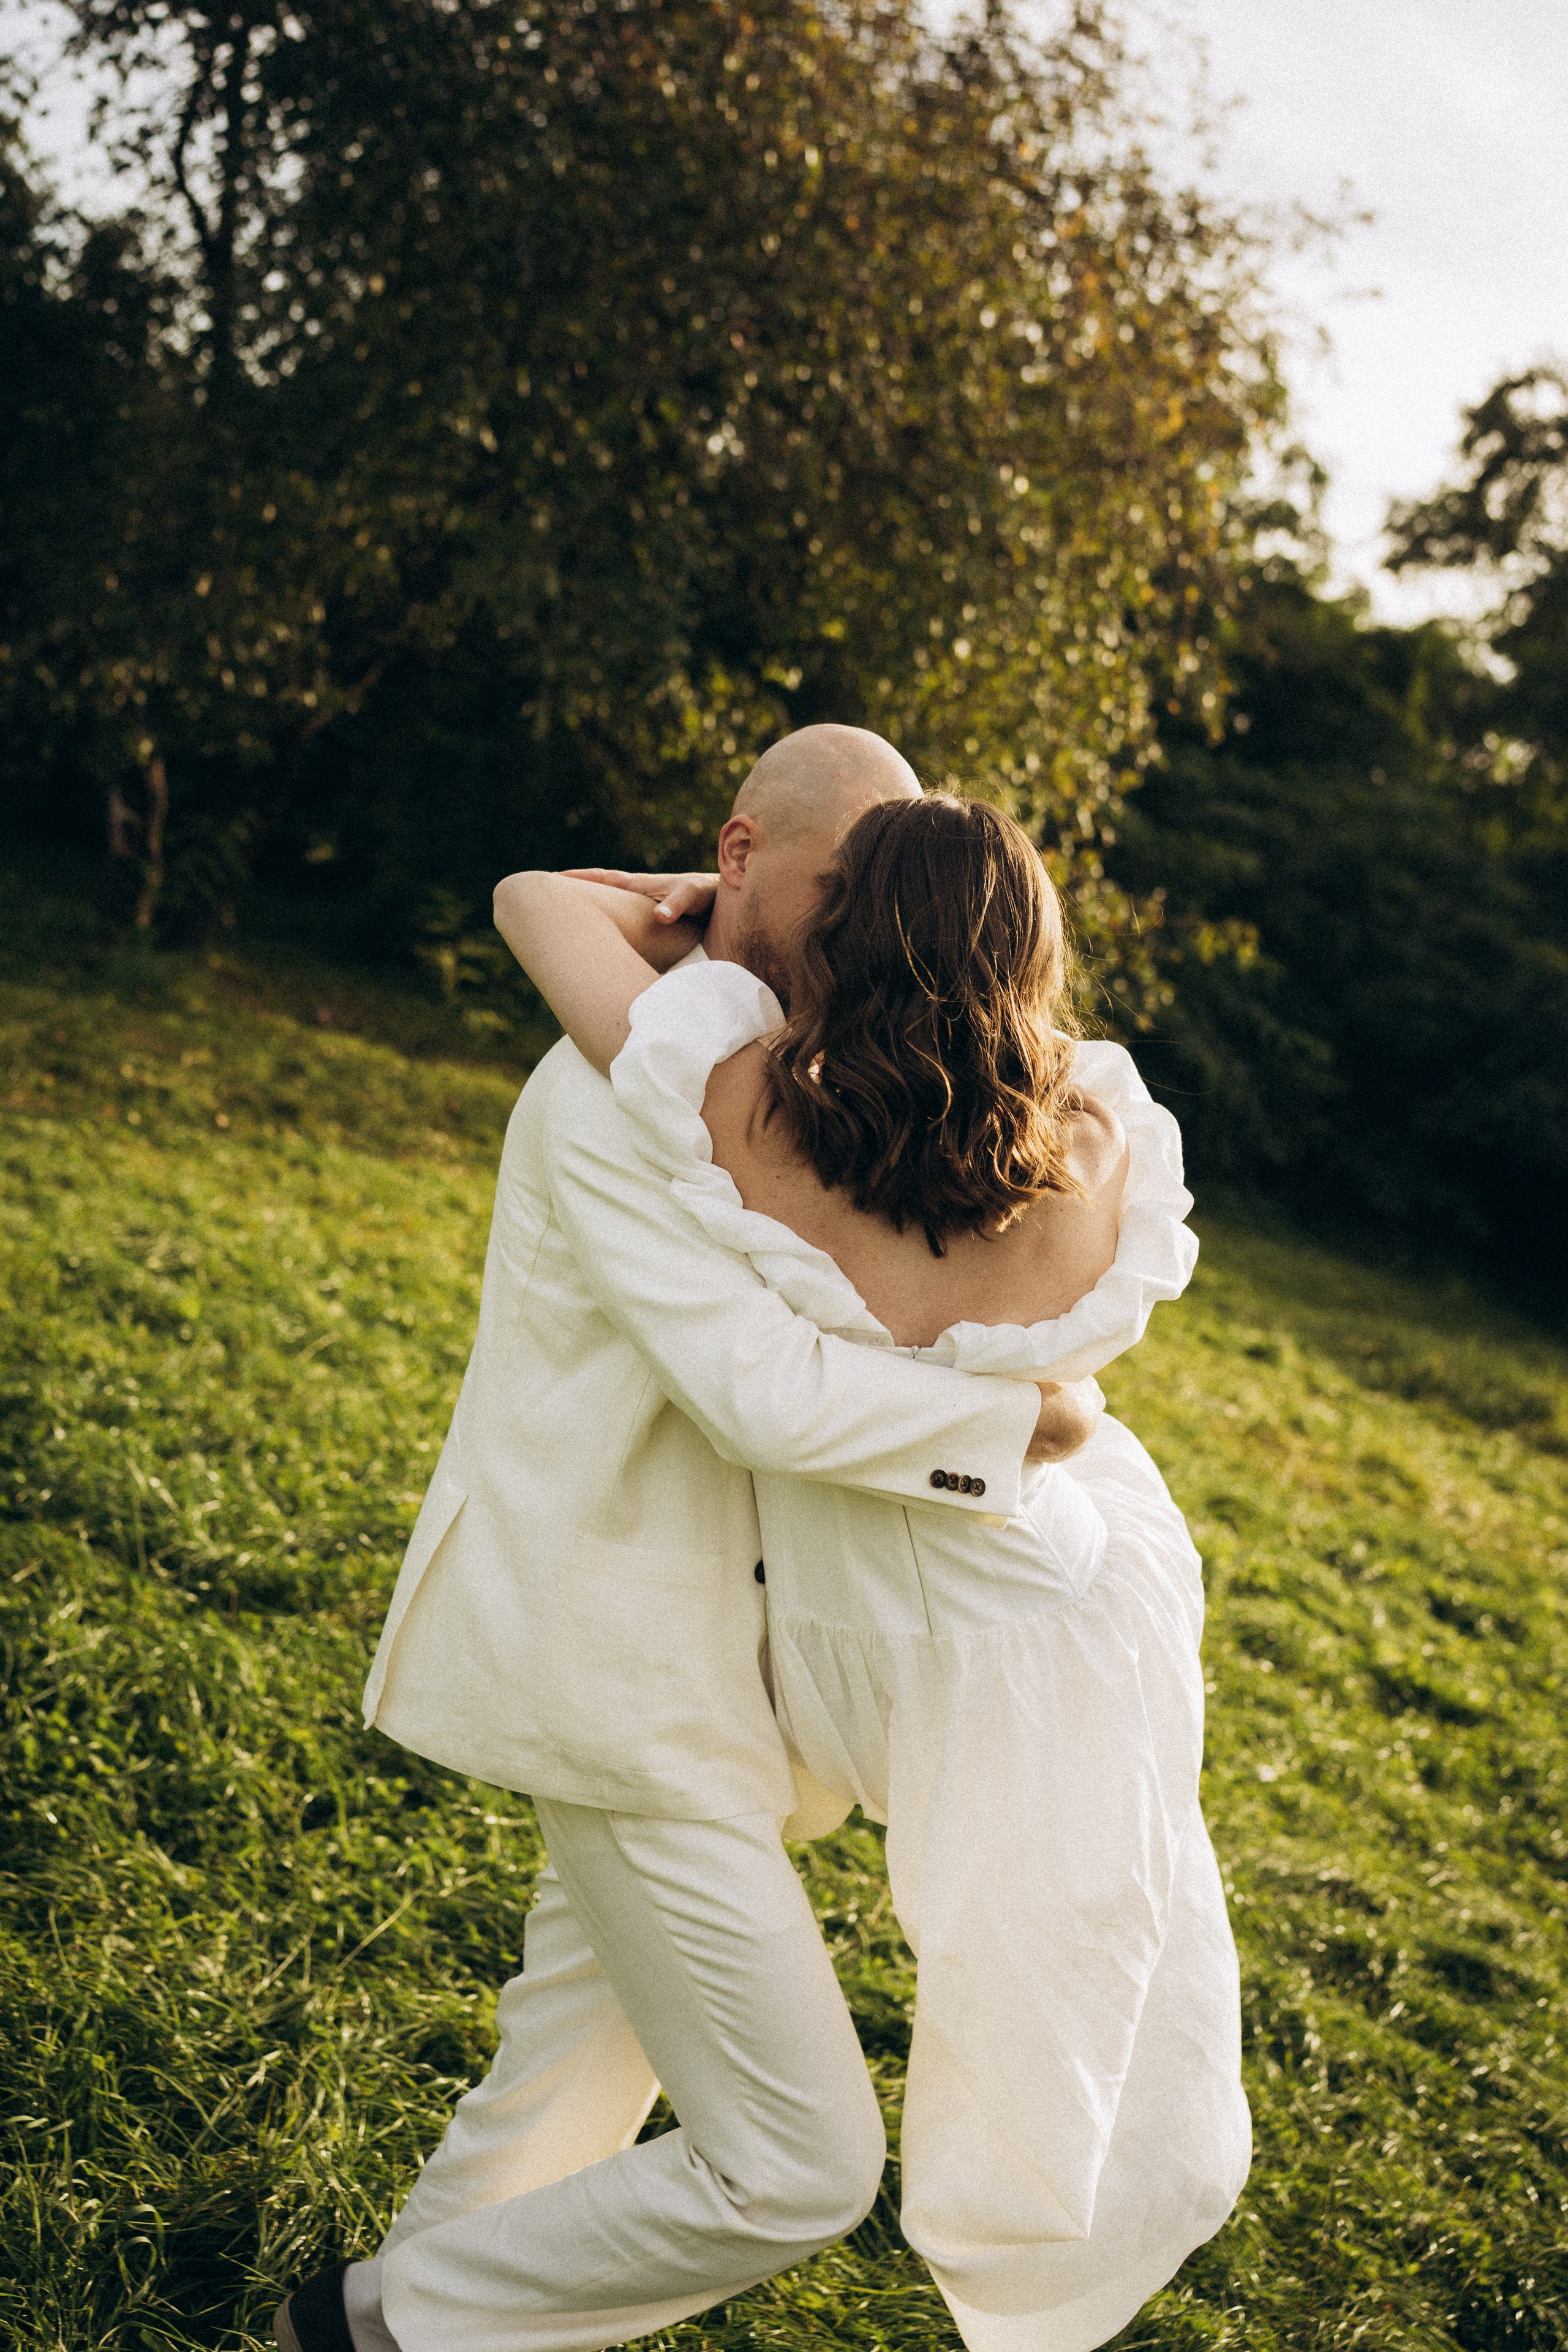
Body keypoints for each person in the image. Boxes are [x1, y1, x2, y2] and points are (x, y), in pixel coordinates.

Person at [271, 728, 1103, 2352]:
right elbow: (754, 1397)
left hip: (721, 1689)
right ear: (737, 856)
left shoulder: (796, 1091)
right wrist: (1025, 1425)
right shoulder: (626, 1086)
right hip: (621, 1676)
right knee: (799, 2165)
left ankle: (419, 2317)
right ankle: (367, 2324)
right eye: (841, 889)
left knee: (564, 2075)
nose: (868, 934)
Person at [494, 791, 1251, 2352]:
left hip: (905, 1630)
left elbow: (534, 902)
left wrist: (712, 897)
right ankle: (424, 2299)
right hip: (1057, 1603)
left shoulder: (740, 1111)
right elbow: (1053, 1350)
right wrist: (1044, 1414)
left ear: (837, 933)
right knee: (1082, 1966)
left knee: (1046, 1979)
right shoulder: (1095, 1142)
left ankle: (406, 2309)